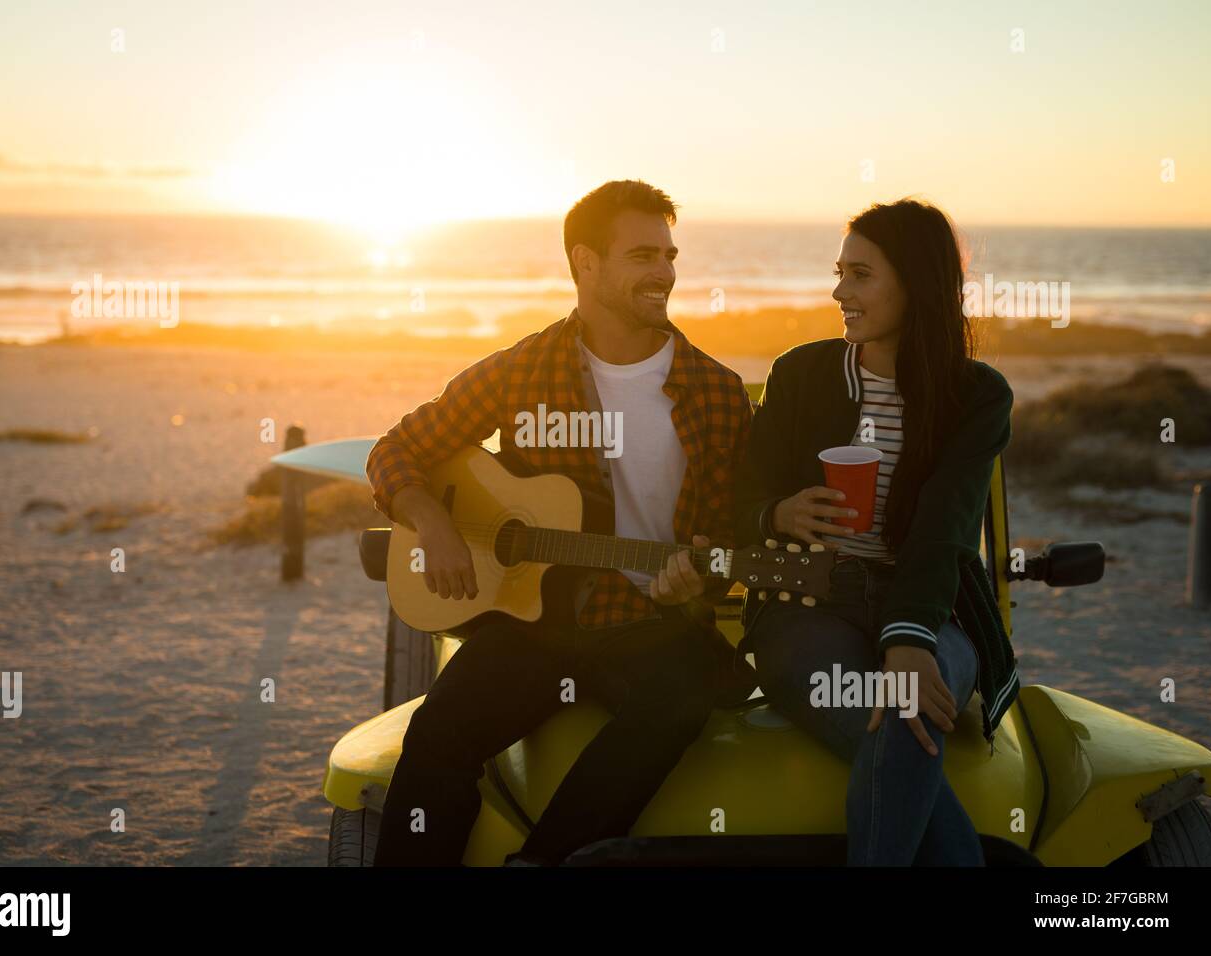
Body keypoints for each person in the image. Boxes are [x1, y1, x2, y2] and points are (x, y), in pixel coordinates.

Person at [367, 180, 754, 865]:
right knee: (435, 738)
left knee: (683, 697)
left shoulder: (716, 392)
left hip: (653, 628)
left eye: (669, 254)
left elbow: (727, 538)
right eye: (642, 255)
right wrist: (431, 520)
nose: (664, 271)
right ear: (585, 263)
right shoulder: (524, 371)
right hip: (535, 625)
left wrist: (698, 581)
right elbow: (397, 450)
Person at [734, 198, 1019, 865]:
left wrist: (909, 639)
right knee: (903, 726)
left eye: (860, 275)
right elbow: (740, 496)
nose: (839, 291)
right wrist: (778, 515)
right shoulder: (800, 374)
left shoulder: (976, 397)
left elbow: (945, 528)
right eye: (840, 272)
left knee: (907, 709)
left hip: (933, 608)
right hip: (807, 604)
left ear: (915, 283)